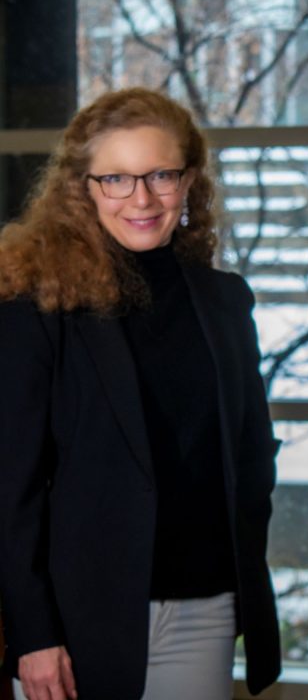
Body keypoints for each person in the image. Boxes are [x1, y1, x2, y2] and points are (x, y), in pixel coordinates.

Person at [0, 88, 281, 700]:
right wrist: (32, 633)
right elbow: (10, 486)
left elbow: (252, 453)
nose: (142, 199)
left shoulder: (224, 300)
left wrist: (241, 577)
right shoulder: (38, 304)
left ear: (189, 181)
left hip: (204, 611)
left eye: (160, 175)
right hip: (75, 626)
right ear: (84, 188)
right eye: (117, 180)